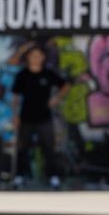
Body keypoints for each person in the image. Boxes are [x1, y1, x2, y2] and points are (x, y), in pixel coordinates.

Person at [11, 43, 69, 190]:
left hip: (44, 118)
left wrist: (56, 98)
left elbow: (65, 86)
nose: (35, 58)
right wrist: (15, 115)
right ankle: (19, 176)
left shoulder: (48, 74)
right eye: (33, 56)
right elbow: (15, 97)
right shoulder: (22, 75)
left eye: (38, 55)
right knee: (22, 148)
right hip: (26, 118)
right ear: (28, 58)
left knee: (49, 149)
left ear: (43, 57)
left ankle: (53, 177)